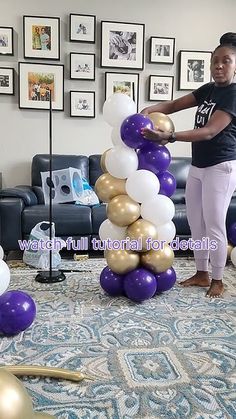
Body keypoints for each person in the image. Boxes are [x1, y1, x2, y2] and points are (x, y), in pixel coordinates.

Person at [141, 33, 236, 298]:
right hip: (199, 166)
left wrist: (169, 137)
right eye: (214, 61)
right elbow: (173, 105)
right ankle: (202, 272)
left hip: (221, 166)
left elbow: (208, 131)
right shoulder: (208, 90)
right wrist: (148, 111)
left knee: (214, 224)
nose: (218, 66)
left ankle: (218, 278)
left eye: (225, 61)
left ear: (235, 66)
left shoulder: (234, 94)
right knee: (196, 223)